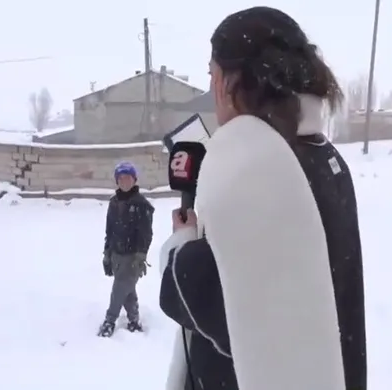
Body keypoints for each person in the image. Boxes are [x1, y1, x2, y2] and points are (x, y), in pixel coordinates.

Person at [157, 6, 366, 390]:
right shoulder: (322, 155)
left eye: (212, 75)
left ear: (234, 81)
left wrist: (180, 247)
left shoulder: (258, 166)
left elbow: (229, 309)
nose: (213, 91)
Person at [97, 161, 154, 337]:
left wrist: (141, 255)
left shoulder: (142, 204)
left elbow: (146, 233)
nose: (124, 182)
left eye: (128, 178)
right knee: (127, 290)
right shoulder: (114, 202)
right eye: (120, 178)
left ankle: (109, 320)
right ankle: (134, 320)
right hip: (116, 254)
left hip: (132, 256)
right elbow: (109, 230)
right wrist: (107, 253)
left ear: (134, 180)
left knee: (119, 288)